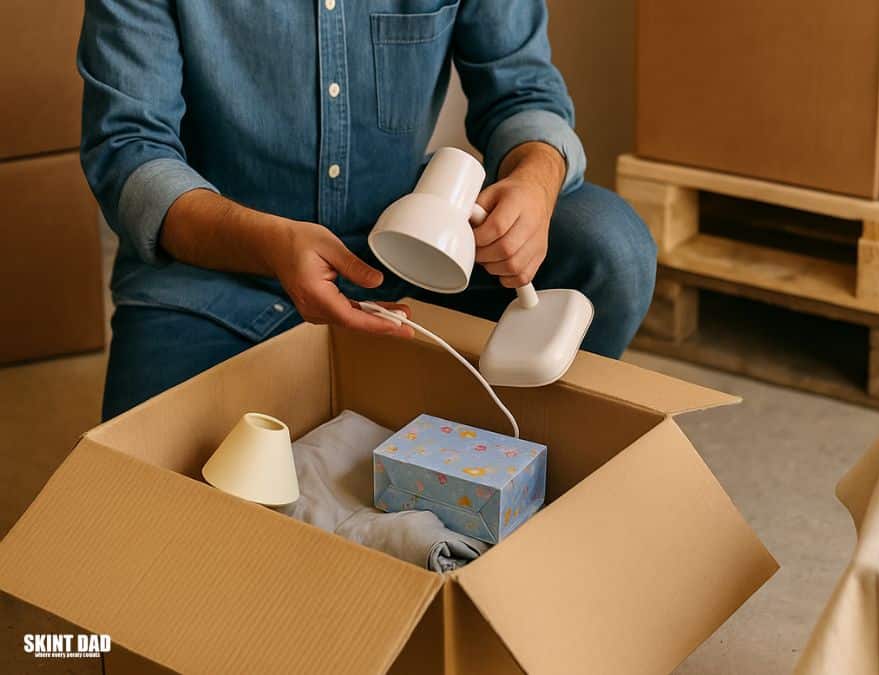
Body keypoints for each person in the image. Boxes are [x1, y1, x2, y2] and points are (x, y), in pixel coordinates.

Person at [79, 0, 656, 421]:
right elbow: (130, 151)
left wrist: (535, 178)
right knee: (141, 519)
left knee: (610, 244)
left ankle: (508, 442)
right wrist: (267, 243)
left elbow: (522, 88)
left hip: (407, 249)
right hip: (217, 273)